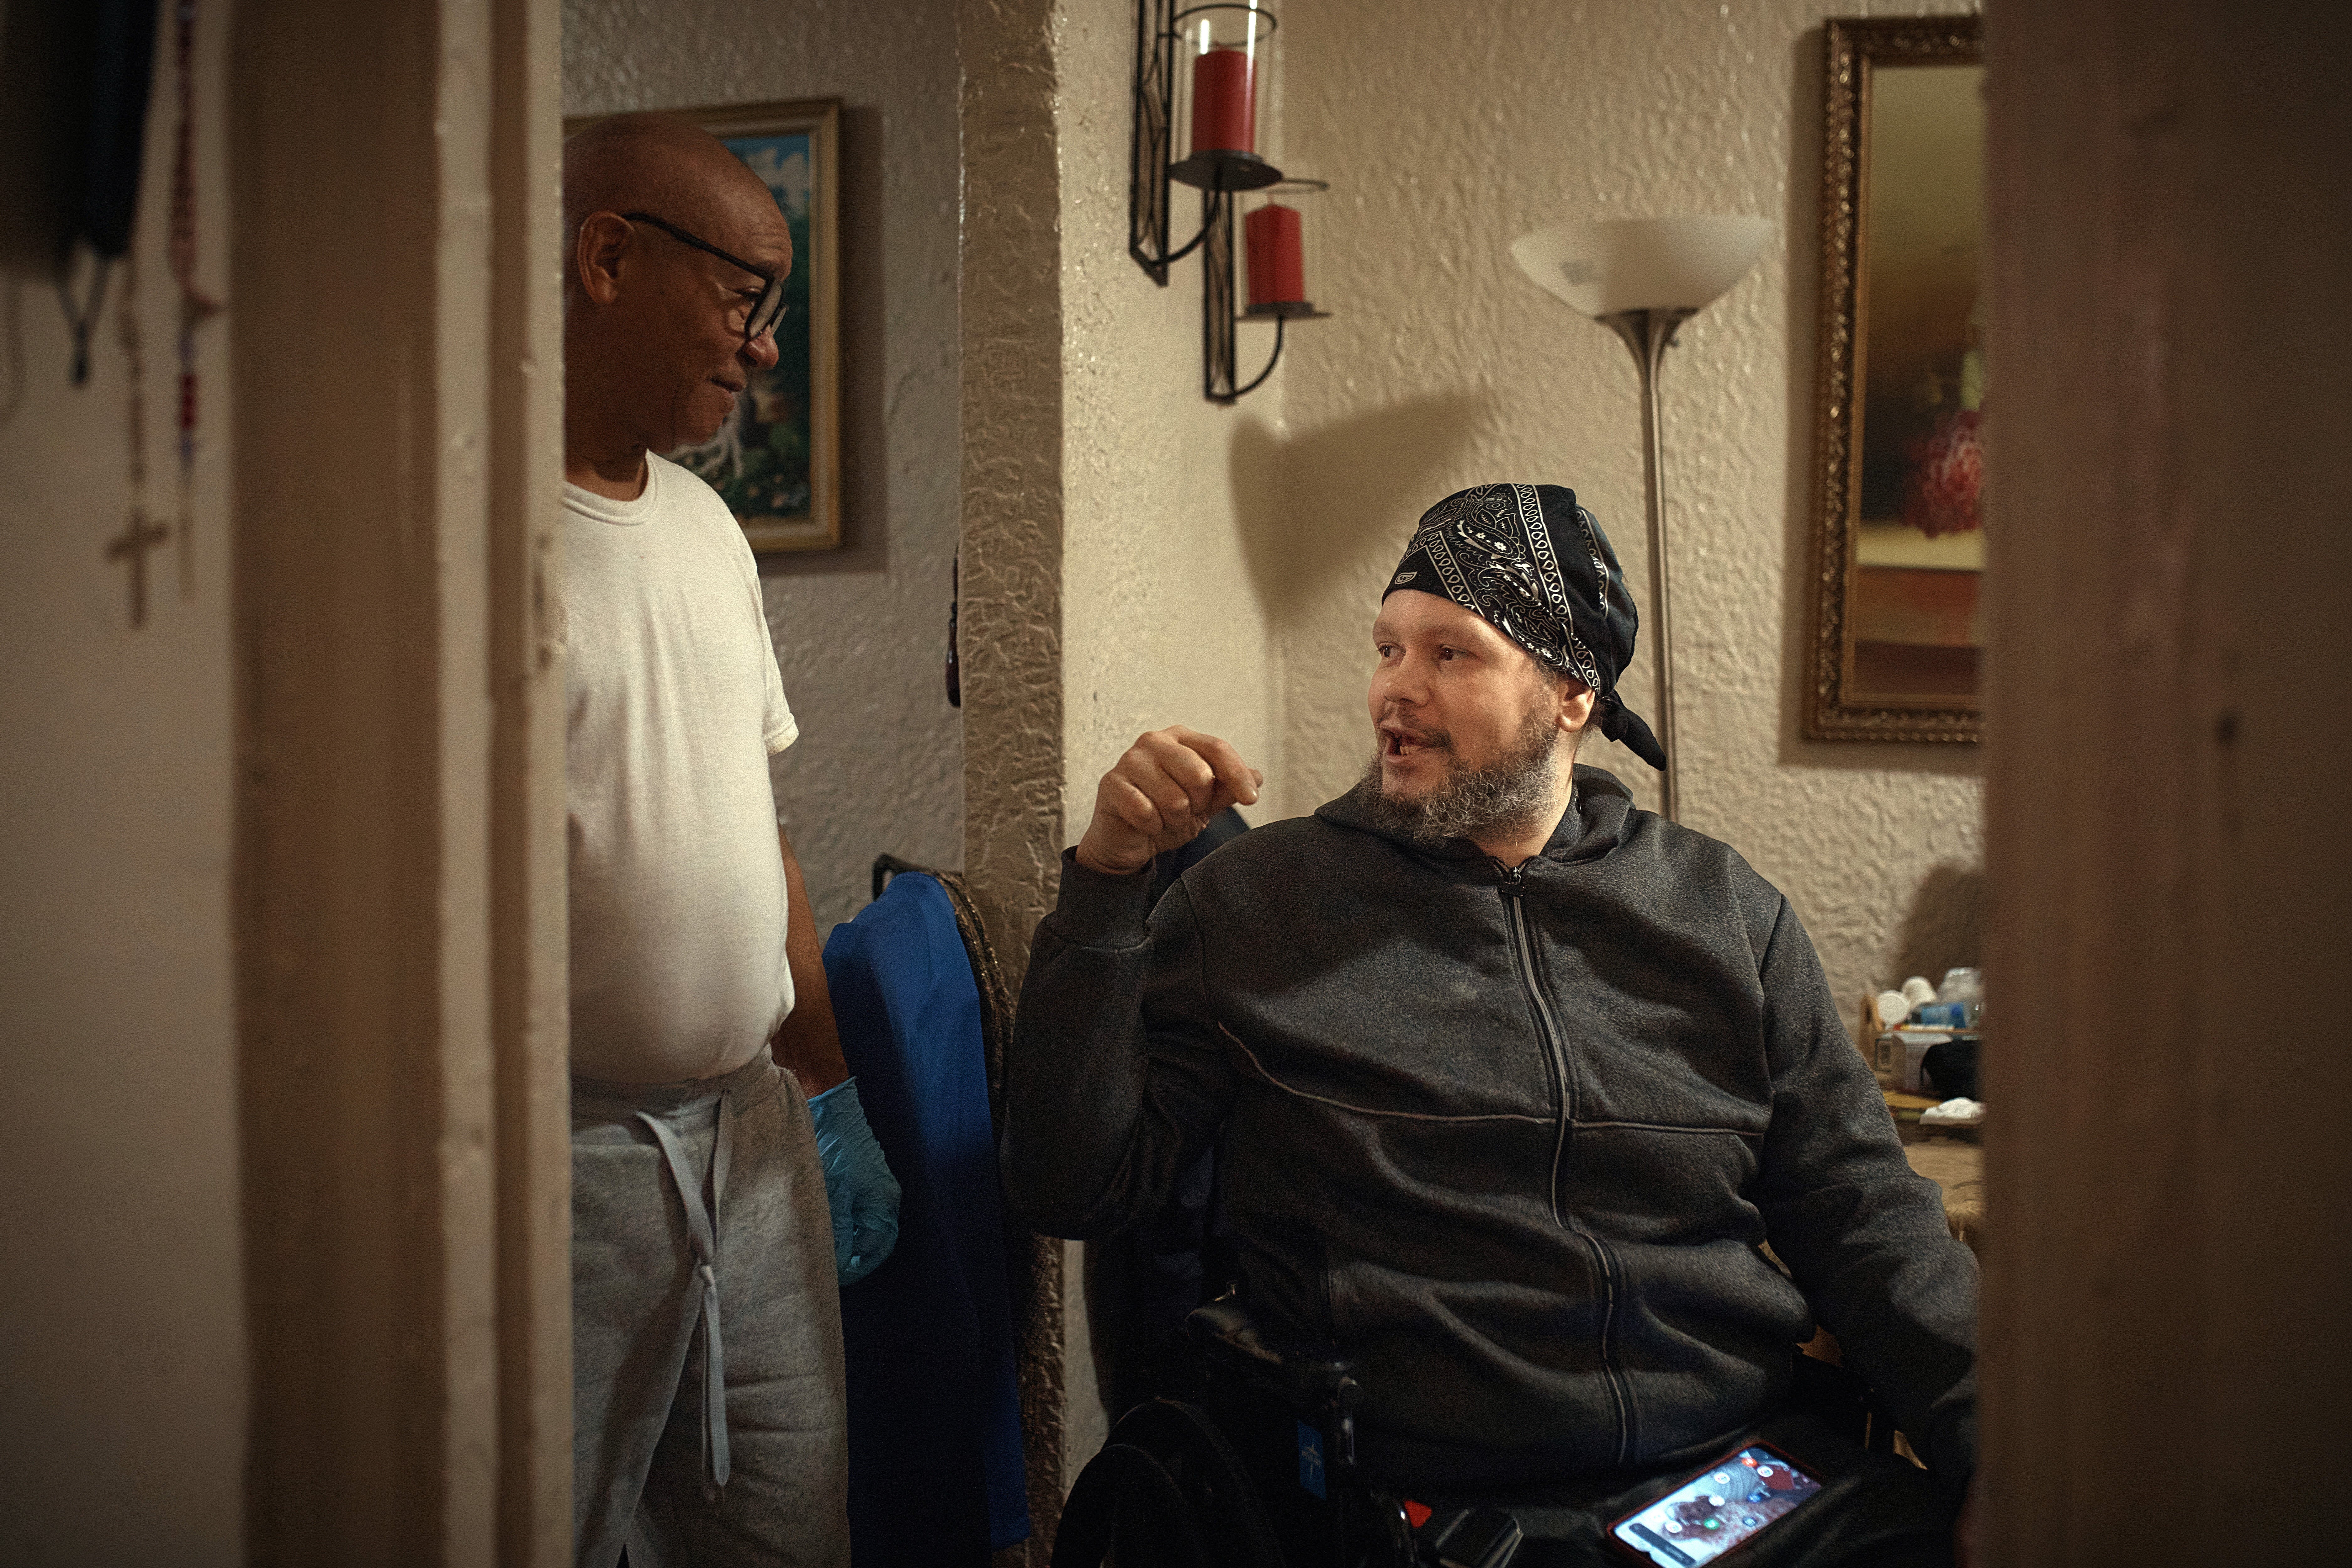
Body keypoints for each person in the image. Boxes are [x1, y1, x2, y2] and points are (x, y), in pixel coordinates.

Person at [1004, 483, 1978, 1564]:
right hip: (1436, 1502)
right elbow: (1069, 1184)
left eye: (1450, 654)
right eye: (1387, 649)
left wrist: (2003, 1448)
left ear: (1570, 692)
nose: (1395, 688)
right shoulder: (1255, 905)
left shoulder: (1722, 913)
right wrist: (1107, 882)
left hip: (1733, 1470)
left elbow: (1862, 1212)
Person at [559, 112, 901, 1568]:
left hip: (754, 1145)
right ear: (608, 258)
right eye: (743, 297)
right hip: (567, 1168)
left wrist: (826, 1086)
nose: (763, 348)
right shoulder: (460, 538)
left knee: (786, 1531)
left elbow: (759, 829)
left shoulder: (706, 524)